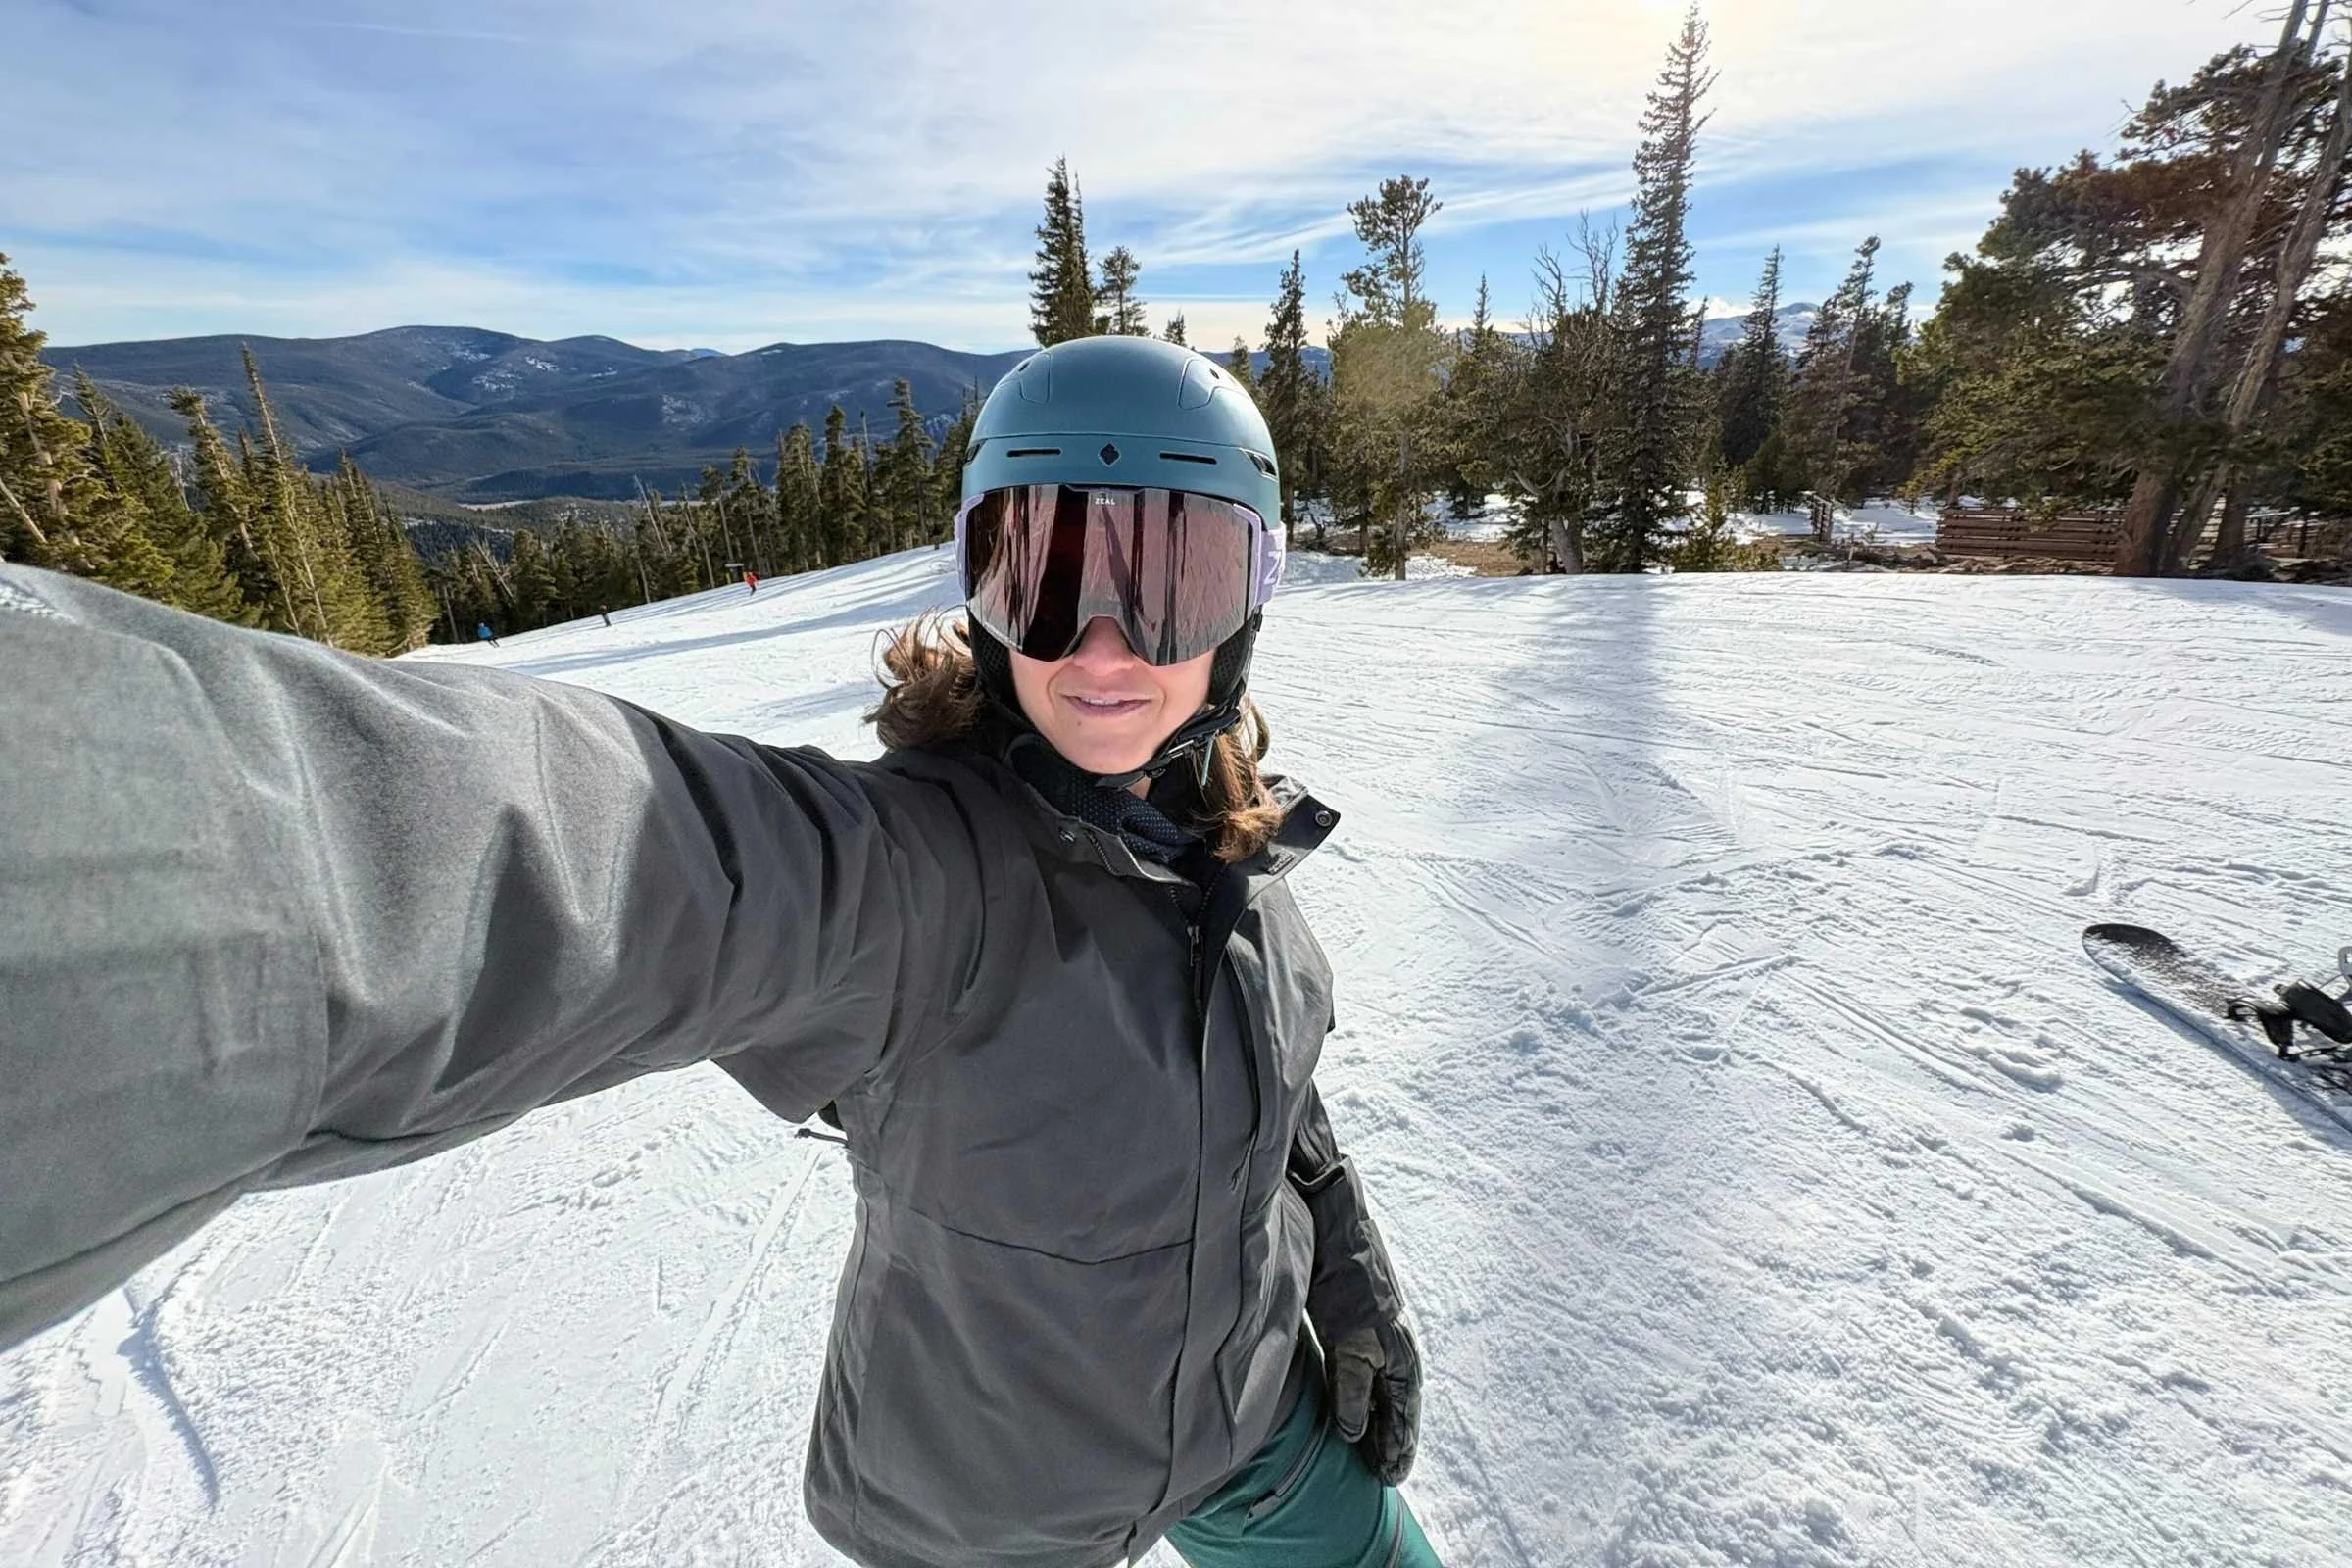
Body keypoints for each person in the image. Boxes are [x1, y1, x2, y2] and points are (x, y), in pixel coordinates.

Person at [0, 336, 1437, 1568]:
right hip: (996, 1512)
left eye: (1170, 582)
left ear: (1249, 599)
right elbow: (599, 854)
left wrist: (1344, 1271)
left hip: (1259, 1425)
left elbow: (1274, 1093)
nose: (1105, 649)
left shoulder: (1222, 844)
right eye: (1046, 578)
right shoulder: (908, 882)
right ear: (984, 595)